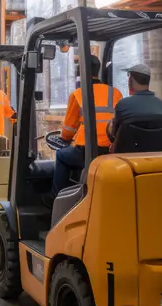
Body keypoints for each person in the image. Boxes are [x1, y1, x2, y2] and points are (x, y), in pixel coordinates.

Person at [51, 55, 122, 200]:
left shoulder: (77, 94)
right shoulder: (115, 93)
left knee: (61, 156)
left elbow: (68, 131)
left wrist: (65, 138)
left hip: (86, 151)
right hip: (110, 151)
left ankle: (57, 198)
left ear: (81, 72)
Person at [107, 63, 162, 145]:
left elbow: (114, 134)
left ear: (131, 80)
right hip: (156, 155)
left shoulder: (123, 105)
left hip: (129, 155)